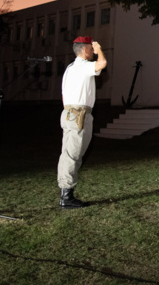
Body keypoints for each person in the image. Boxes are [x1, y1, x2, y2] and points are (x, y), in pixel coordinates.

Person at [58, 35, 107, 208]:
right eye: (91, 49)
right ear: (86, 50)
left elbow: (63, 95)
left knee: (71, 154)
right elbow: (102, 63)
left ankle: (66, 193)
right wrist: (100, 50)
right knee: (72, 154)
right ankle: (66, 197)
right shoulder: (82, 66)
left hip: (70, 112)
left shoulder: (71, 68)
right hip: (78, 113)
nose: (93, 52)